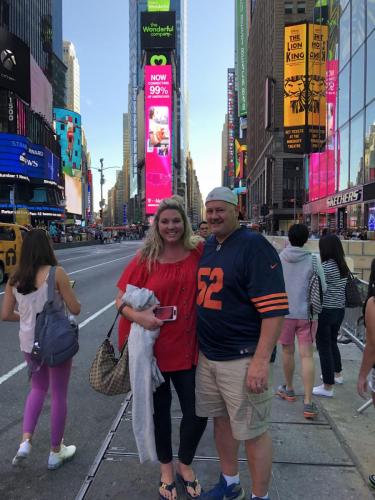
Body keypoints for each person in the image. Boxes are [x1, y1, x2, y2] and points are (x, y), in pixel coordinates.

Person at [196, 187, 289, 500]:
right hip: (210, 356)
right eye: (210, 211)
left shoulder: (254, 245)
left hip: (243, 357)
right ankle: (230, 483)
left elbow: (274, 311)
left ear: (237, 210)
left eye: (220, 210)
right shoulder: (209, 245)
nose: (214, 216)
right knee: (221, 424)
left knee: (253, 432)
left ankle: (260, 496)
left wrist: (261, 360)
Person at [115, 196, 207, 500]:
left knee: (198, 412)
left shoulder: (198, 250)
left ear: (185, 222)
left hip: (190, 348)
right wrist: (140, 316)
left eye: (176, 220)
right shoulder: (146, 257)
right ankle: (167, 469)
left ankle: (185, 463)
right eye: (165, 221)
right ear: (157, 224)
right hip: (153, 354)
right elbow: (120, 300)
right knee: (159, 414)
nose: (171, 226)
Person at [1, 229, 81, 470]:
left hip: (29, 342)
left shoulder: (14, 278)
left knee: (37, 388)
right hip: (55, 341)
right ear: (48, 247)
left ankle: (26, 441)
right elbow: (75, 308)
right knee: (58, 394)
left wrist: (27, 318)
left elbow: (5, 315)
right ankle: (55, 451)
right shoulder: (57, 274)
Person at [277, 224, 326, 419]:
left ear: (288, 238)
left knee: (287, 351)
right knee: (307, 356)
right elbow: (323, 286)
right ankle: (308, 402)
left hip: (285, 314)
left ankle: (288, 389)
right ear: (306, 240)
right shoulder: (313, 260)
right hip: (308, 314)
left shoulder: (279, 258)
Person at [313, 235, 349, 397]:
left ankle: (327, 386)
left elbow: (319, 287)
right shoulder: (343, 266)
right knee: (332, 342)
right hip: (339, 310)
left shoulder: (326, 267)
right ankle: (337, 374)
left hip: (326, 311)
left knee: (324, 347)